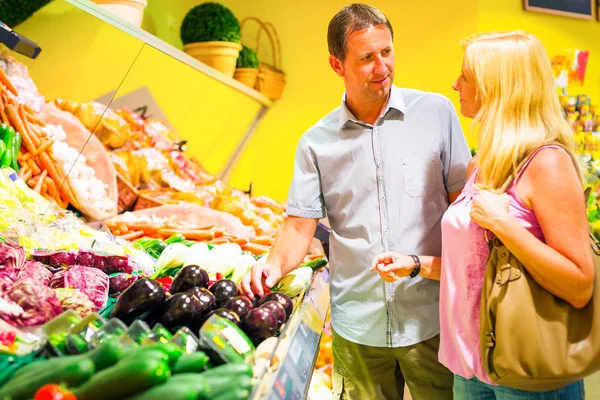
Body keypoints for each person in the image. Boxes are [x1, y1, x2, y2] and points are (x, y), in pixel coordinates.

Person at [241, 3, 471, 399]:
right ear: (337, 64)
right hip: (358, 327)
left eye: (387, 51)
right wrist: (272, 266)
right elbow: (299, 226)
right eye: (367, 58)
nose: (382, 66)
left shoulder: (437, 113)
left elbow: (461, 210)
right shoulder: (316, 142)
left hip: (433, 321)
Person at [371, 31, 593, 399]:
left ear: (496, 87)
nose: (455, 84)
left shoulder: (546, 163)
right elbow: (482, 268)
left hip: (526, 369)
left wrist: (504, 225)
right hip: (470, 367)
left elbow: (580, 283)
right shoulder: (479, 165)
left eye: (466, 77)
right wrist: (415, 264)